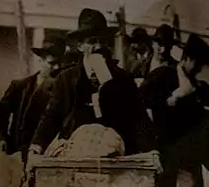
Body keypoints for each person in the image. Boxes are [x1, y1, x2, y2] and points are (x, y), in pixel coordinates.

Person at [29, 8, 154, 157]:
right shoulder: (66, 79)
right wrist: (36, 146)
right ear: (81, 46)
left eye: (103, 41)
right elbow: (52, 117)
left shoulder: (123, 79)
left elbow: (139, 120)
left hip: (115, 159)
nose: (99, 47)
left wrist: (150, 152)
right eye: (93, 42)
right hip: (76, 157)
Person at [143, 34, 209, 187]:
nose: (199, 70)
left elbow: (204, 117)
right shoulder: (162, 76)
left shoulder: (197, 87)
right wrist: (170, 100)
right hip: (167, 151)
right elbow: (142, 102)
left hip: (192, 157)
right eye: (197, 64)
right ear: (188, 58)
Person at [0, 38, 66, 161]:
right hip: (18, 146)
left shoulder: (61, 89)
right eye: (52, 63)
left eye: (59, 63)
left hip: (43, 150)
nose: (56, 67)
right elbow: (3, 110)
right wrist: (3, 136)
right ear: (40, 60)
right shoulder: (20, 86)